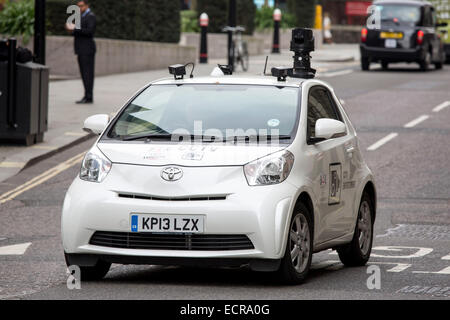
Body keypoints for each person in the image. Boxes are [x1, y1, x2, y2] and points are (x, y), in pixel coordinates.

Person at [66, 0, 96, 104]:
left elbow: (89, 31)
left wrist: (75, 28)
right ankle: (87, 95)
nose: (79, 8)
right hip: (80, 50)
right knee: (84, 74)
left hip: (87, 50)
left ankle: (89, 96)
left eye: (81, 6)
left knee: (88, 74)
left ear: (87, 5)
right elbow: (78, 32)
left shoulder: (90, 16)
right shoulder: (81, 16)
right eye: (78, 6)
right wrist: (71, 30)